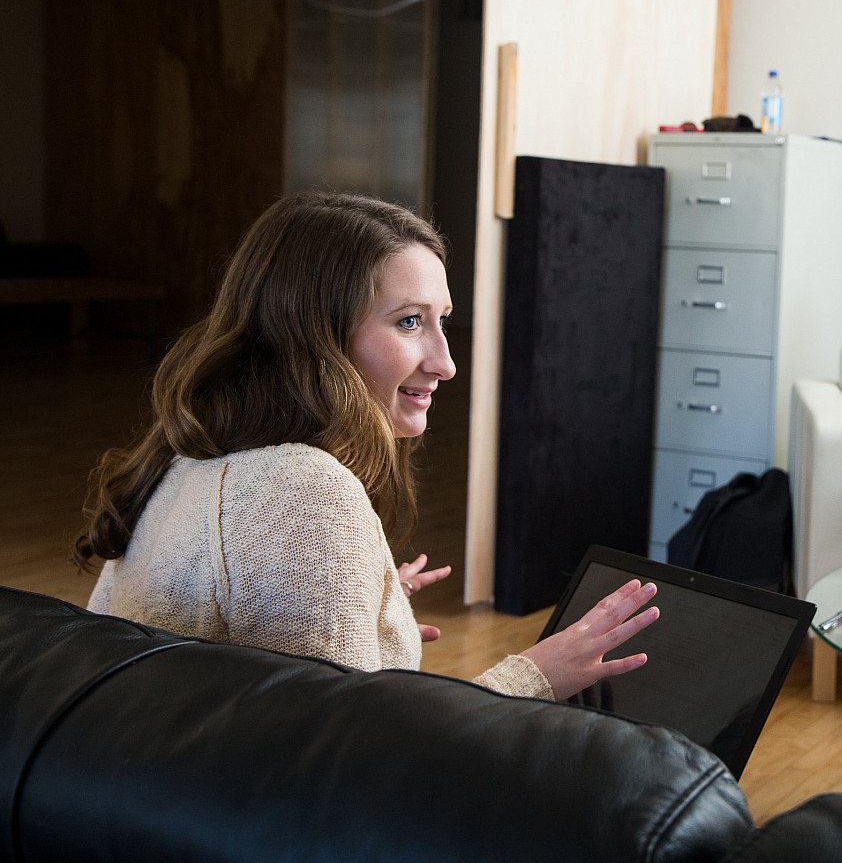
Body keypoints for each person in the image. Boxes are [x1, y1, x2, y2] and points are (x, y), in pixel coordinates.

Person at [75, 191, 657, 702]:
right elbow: (359, 764)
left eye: (442, 320)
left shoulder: (184, 459)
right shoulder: (303, 490)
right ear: (316, 335)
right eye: (408, 322)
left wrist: (362, 600)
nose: (446, 363)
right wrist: (535, 678)